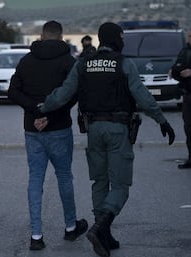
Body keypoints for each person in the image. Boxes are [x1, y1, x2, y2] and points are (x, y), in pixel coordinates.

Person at [39, 22, 175, 257]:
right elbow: (142, 96)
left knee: (99, 182)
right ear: (115, 38)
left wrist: (43, 107)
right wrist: (162, 120)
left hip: (93, 130)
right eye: (121, 36)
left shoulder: (84, 63)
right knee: (121, 185)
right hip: (118, 129)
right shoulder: (123, 63)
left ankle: (104, 235)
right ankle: (100, 227)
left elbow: (63, 93)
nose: (123, 40)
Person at [8, 20, 88, 251]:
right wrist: (49, 114)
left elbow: (13, 91)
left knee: (35, 179)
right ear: (61, 37)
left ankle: (36, 236)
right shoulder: (68, 62)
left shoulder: (26, 60)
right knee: (64, 176)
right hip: (59, 127)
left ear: (42, 36)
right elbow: (74, 93)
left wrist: (34, 111)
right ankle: (71, 228)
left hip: (32, 129)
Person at [170, 31, 191, 169]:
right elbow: (178, 67)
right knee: (188, 128)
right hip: (188, 94)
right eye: (189, 36)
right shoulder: (185, 51)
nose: (189, 38)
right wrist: (174, 72)